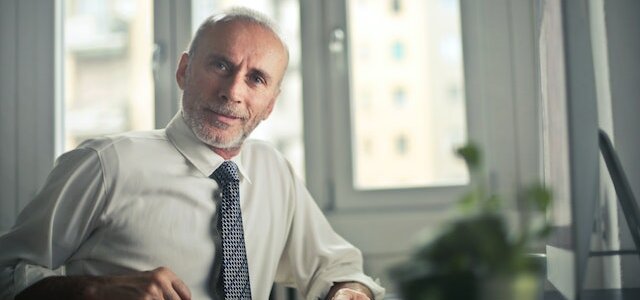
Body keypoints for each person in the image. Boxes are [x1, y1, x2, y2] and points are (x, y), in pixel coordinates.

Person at [0, 7, 384, 300]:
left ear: (269, 104)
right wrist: (97, 290)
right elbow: (7, 272)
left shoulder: (274, 171)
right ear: (184, 70)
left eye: (256, 79)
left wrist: (348, 291)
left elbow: (335, 267)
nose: (233, 91)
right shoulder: (106, 165)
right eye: (220, 65)